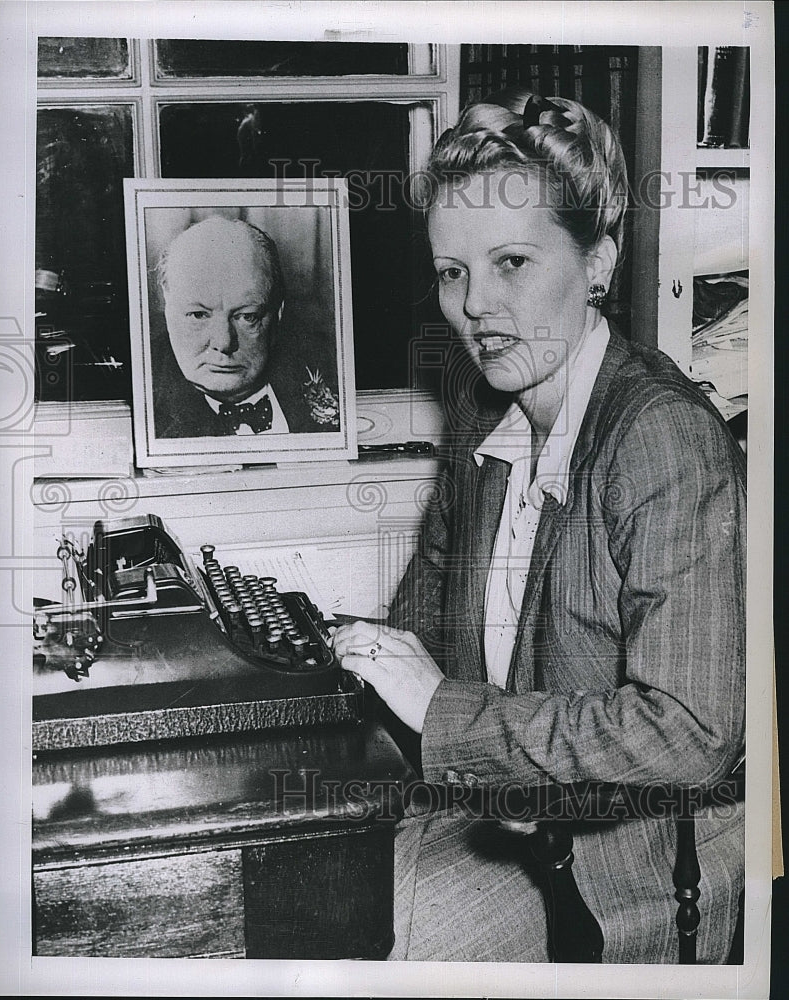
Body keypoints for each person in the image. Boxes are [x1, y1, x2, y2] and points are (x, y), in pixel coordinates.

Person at [334, 88, 746, 963]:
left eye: (511, 262)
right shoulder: (483, 412)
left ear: (599, 260)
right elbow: (423, 627)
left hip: (623, 858)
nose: (476, 304)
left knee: (393, 946)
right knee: (317, 896)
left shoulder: (661, 436)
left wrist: (443, 712)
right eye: (454, 271)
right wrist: (334, 650)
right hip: (496, 812)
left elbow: (693, 733)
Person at [152, 216, 340, 438]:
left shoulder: (331, 367)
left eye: (247, 316)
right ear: (167, 309)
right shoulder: (140, 404)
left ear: (278, 313)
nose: (224, 343)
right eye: (198, 315)